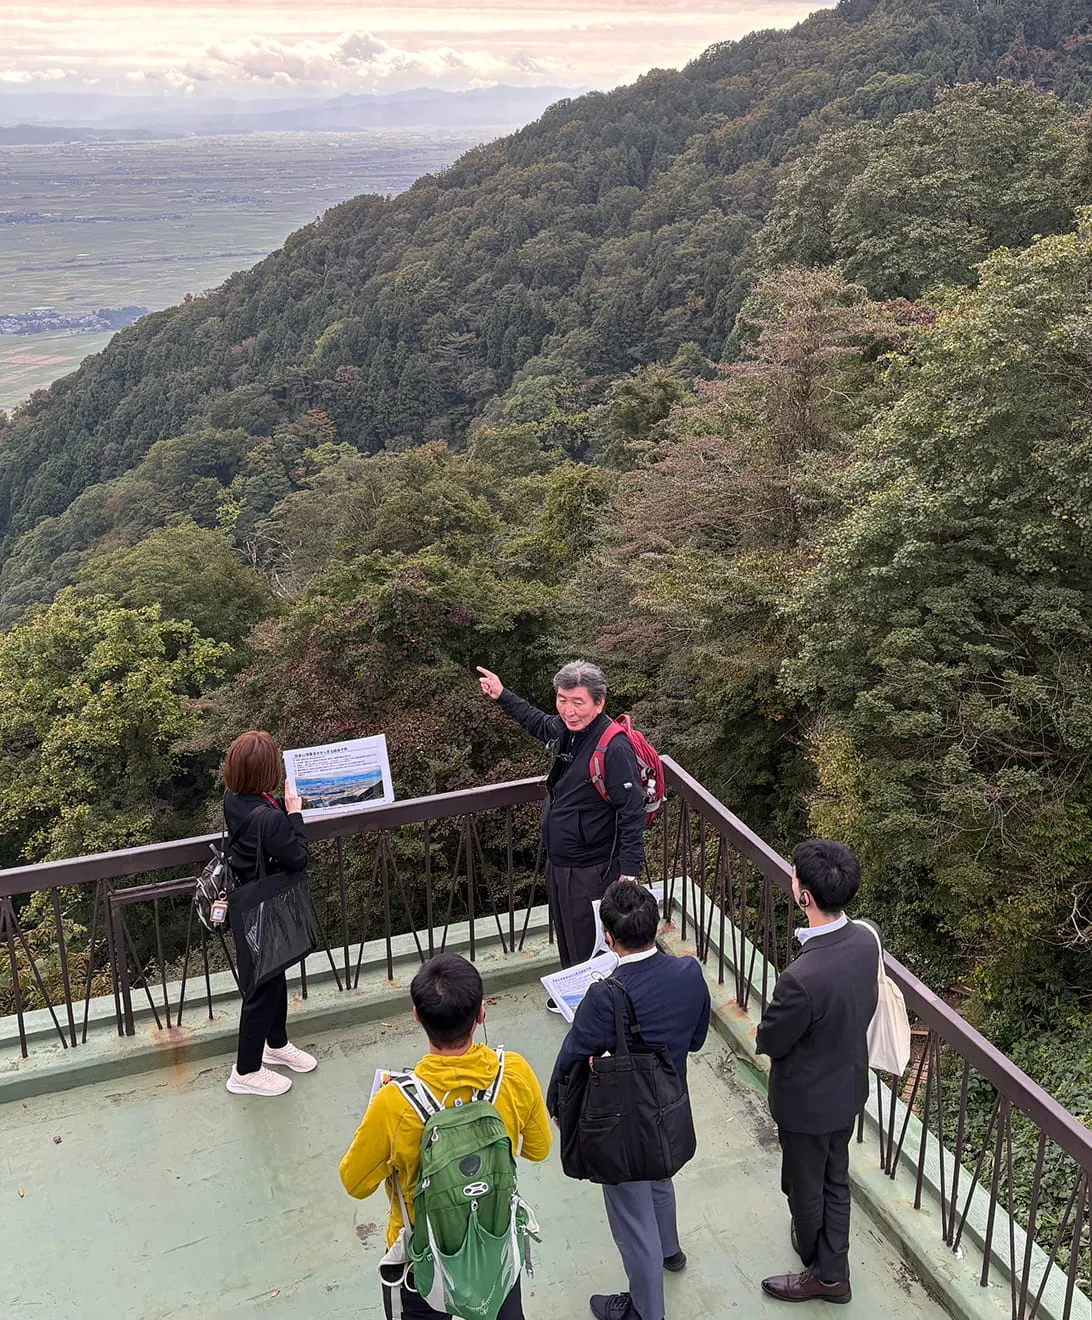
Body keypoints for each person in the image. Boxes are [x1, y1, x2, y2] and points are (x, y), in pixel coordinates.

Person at [339, 953, 553, 1320]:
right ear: (481, 1013)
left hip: (424, 1256)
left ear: (417, 1015)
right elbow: (539, 1148)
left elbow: (354, 1182)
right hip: (493, 1238)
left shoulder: (395, 1102)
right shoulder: (513, 1072)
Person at [547, 881, 711, 1320]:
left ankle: (645, 1311)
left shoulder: (604, 996)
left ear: (608, 936)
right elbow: (695, 1040)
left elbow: (570, 1061)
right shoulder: (689, 973)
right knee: (660, 1174)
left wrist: (557, 1108)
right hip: (670, 1100)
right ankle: (671, 1250)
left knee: (631, 1216)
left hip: (625, 1115)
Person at [755, 839, 879, 1306]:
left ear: (804, 896)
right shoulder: (865, 940)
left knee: (805, 1188)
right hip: (846, 1087)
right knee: (835, 1176)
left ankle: (825, 1271)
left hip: (805, 1101)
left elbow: (771, 1038)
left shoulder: (802, 978)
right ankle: (830, 1259)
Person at [477, 660, 645, 992]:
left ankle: (593, 1004)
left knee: (590, 941)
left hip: (592, 867)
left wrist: (629, 869)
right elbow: (537, 722)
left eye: (578, 702)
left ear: (599, 703)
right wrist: (502, 694)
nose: (568, 710)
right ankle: (571, 993)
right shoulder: (568, 731)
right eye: (562, 700)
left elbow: (632, 811)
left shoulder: (614, 747)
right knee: (567, 933)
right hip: (561, 863)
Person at [222, 729, 317, 1097]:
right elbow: (298, 857)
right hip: (264, 906)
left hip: (248, 903)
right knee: (261, 987)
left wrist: (280, 807)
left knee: (274, 974)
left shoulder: (233, 798)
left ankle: (275, 1045)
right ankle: (245, 1071)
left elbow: (259, 815)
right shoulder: (272, 818)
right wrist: (294, 815)